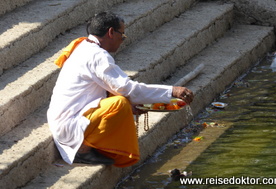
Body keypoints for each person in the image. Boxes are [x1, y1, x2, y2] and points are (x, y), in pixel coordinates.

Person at [47, 11, 194, 168]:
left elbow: (114, 88)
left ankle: (91, 146)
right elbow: (127, 88)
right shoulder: (97, 55)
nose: (122, 40)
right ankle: (82, 150)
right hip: (69, 125)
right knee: (119, 104)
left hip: (69, 118)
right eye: (122, 35)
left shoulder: (85, 46)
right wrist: (172, 91)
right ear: (111, 32)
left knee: (123, 102)